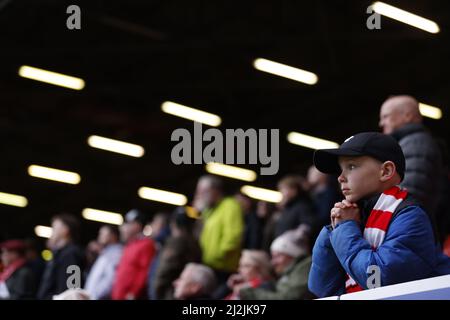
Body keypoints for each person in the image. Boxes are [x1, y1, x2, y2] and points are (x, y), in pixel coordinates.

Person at [309, 132, 450, 298]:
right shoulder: (352, 218)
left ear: (386, 171)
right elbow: (322, 288)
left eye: (352, 166)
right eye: (341, 169)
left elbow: (378, 279)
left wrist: (344, 229)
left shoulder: (410, 215)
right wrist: (333, 231)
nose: (340, 178)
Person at [379, 96, 444, 224]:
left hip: (407, 227)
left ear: (407, 116)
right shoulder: (408, 143)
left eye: (385, 116)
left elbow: (411, 192)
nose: (381, 123)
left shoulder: (416, 144)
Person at [238, 225, 312, 300]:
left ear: (292, 255)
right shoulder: (290, 272)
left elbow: (289, 297)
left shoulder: (304, 269)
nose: (273, 262)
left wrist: (250, 293)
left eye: (277, 256)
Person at [193, 175, 244, 284]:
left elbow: (233, 236)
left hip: (222, 268)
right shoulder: (209, 210)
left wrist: (218, 256)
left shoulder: (230, 205)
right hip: (209, 264)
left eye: (203, 191)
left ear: (215, 190)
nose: (199, 195)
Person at [151, 207, 201, 300]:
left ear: (173, 224)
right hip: (181, 292)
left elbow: (164, 271)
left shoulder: (176, 242)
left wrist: (157, 292)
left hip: (170, 293)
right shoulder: (195, 243)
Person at [37, 213, 85, 299]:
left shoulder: (71, 253)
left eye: (54, 228)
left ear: (65, 230)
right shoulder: (60, 253)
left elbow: (72, 289)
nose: (52, 232)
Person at [111, 209, 155, 300]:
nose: (123, 227)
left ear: (137, 226)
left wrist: (134, 292)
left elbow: (145, 271)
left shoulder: (146, 244)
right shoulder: (128, 246)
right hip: (118, 295)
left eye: (128, 223)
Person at [84, 225, 123, 299]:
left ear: (113, 236)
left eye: (103, 233)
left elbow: (110, 280)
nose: (100, 236)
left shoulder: (116, 254)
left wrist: (94, 296)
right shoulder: (106, 252)